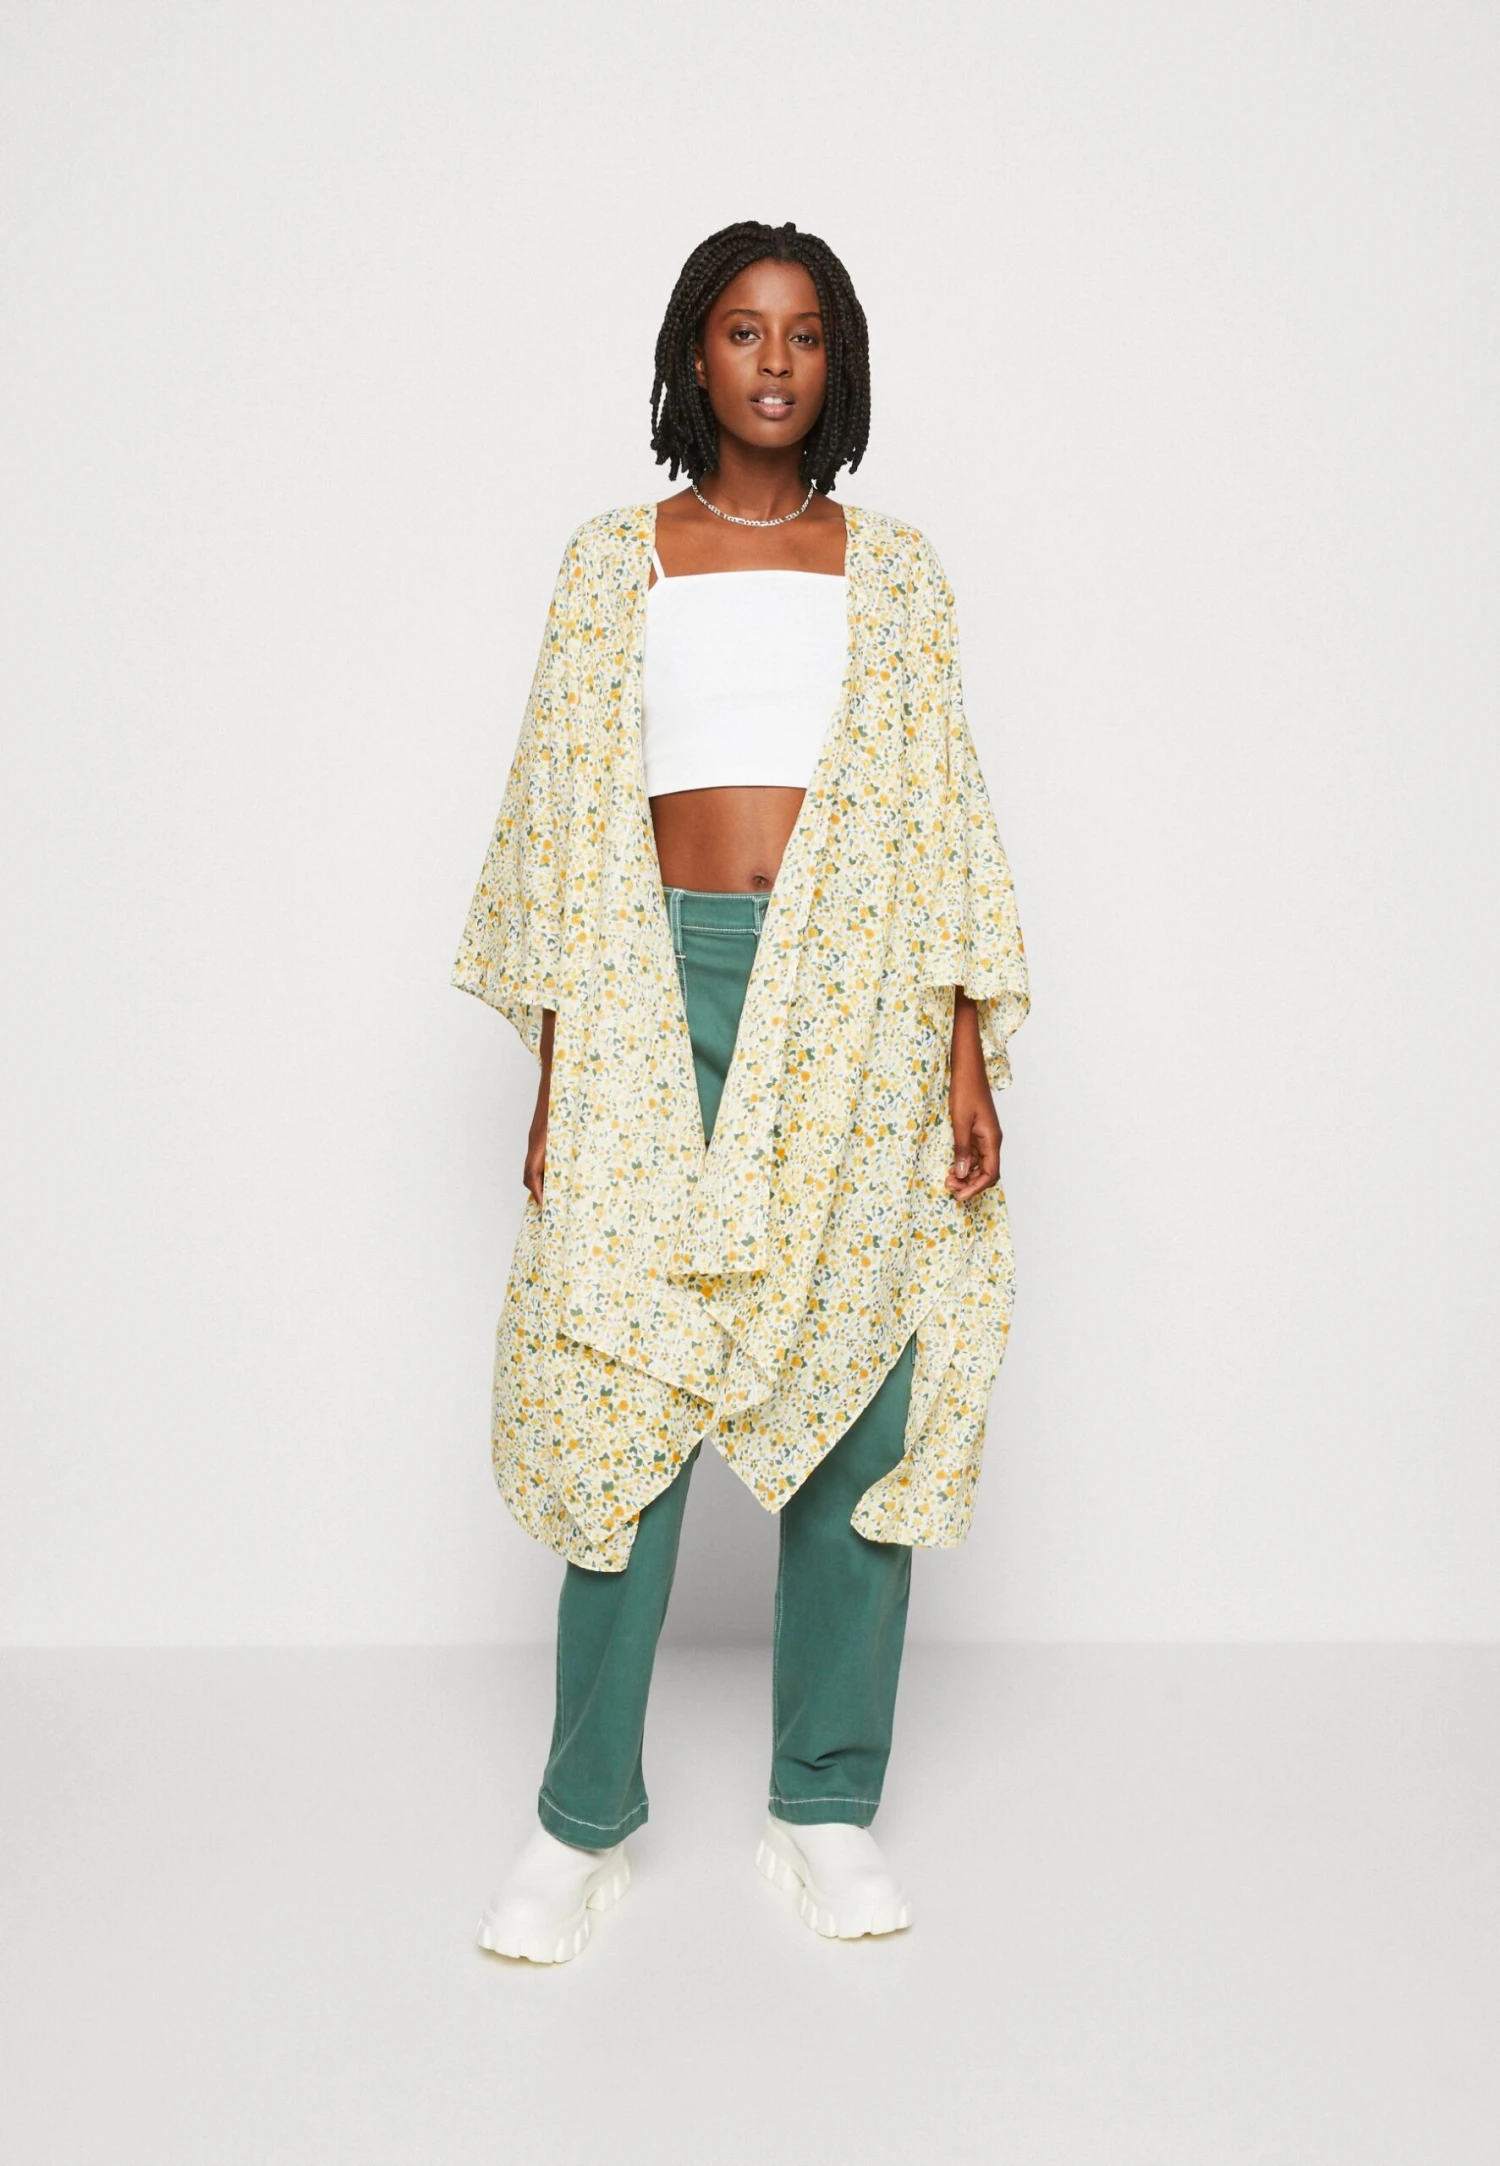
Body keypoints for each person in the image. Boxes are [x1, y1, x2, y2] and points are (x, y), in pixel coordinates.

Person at [452, 219, 1029, 1962]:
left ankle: (823, 1802)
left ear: (837, 363)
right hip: (654, 987)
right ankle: (581, 1818)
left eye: (804, 334)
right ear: (690, 357)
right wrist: (561, 1071)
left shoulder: (899, 573)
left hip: (855, 1004)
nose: (774, 362)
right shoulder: (610, 561)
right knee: (614, 1382)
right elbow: (564, 825)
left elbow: (937, 822)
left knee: (861, 1387)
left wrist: (959, 1058)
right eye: (740, 330)